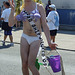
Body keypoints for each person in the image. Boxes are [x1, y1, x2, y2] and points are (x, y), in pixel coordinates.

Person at [8, 0, 57, 75]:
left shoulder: (39, 7)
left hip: (36, 38)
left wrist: (49, 42)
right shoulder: (21, 8)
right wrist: (12, 10)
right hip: (25, 36)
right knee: (24, 64)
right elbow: (11, 24)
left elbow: (44, 24)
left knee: (31, 64)